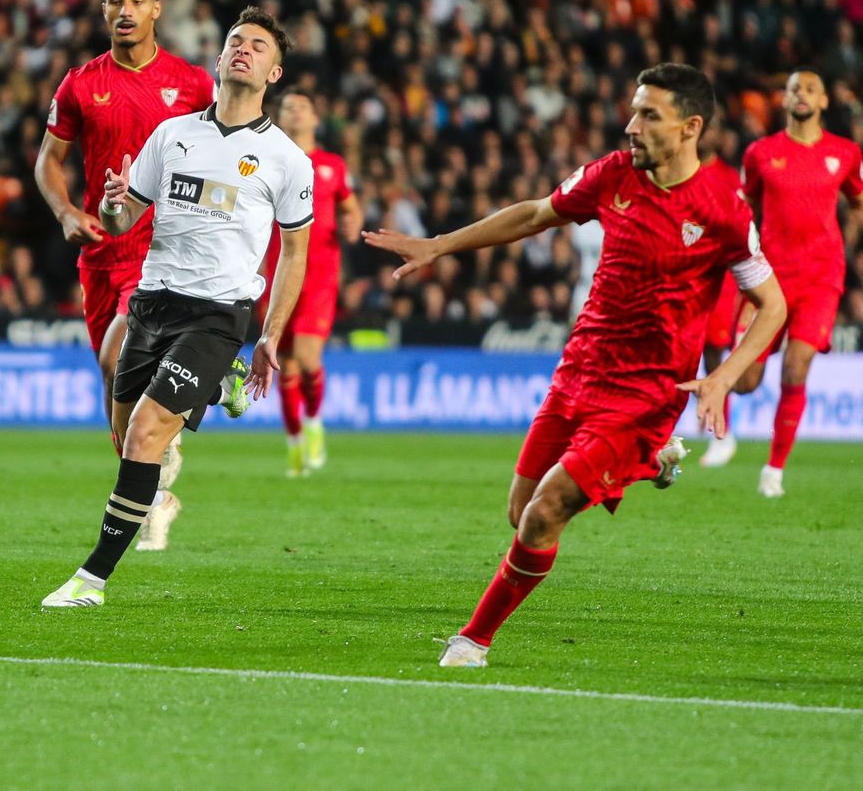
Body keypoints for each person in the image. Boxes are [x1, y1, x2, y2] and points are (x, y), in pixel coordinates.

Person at [364, 64, 785, 666]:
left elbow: (773, 304)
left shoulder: (723, 211)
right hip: (579, 369)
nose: (630, 125)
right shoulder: (613, 175)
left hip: (647, 393)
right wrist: (440, 244)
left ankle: (473, 640)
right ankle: (653, 461)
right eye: (634, 110)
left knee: (545, 513)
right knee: (519, 512)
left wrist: (721, 376)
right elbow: (537, 214)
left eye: (648, 115)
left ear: (691, 127)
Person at [41, 7, 314, 608]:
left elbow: (294, 254)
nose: (243, 50)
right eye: (235, 42)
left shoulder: (287, 161)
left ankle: (91, 581)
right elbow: (123, 219)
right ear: (217, 61)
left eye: (258, 47)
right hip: (151, 303)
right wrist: (114, 203)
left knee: (143, 435)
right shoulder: (173, 136)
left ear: (274, 73)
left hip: (218, 314)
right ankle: (217, 388)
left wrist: (269, 335)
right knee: (123, 434)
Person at [34, 0, 235, 554]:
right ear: (104, 12)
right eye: (115, 1)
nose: (125, 10)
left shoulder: (195, 84)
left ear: (156, 10)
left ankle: (209, 387)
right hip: (101, 254)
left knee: (115, 353)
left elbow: (227, 153)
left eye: (137, 0)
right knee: (112, 380)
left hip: (168, 250)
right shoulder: (79, 84)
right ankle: (154, 491)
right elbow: (49, 160)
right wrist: (67, 212)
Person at [708, 71, 863, 496]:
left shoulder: (845, 153)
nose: (801, 95)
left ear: (825, 100)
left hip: (821, 278)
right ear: (784, 99)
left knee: (797, 368)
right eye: (794, 88)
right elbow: (746, 206)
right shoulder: (761, 153)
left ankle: (773, 470)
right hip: (768, 279)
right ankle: (721, 431)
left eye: (811, 88)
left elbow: (857, 200)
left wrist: (849, 240)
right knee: (745, 380)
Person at [257, 89, 362, 476]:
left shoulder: (332, 165)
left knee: (306, 357)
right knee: (283, 362)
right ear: (280, 118)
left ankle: (314, 421)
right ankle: (295, 441)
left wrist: (352, 225)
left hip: (319, 275)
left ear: (316, 118)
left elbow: (351, 208)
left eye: (302, 107)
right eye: (288, 108)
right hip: (277, 272)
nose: (295, 112)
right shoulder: (270, 161)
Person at [696, 128, 744, 443]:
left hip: (719, 281)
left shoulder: (728, 178)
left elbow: (741, 228)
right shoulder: (677, 173)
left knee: (714, 357)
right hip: (684, 279)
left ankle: (720, 435)